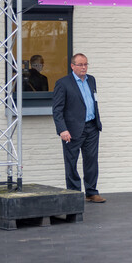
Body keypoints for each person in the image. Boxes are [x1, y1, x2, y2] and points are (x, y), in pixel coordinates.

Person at [52, 53, 104, 203]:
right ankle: (74, 194)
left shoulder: (91, 80)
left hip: (92, 127)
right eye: (80, 65)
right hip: (72, 130)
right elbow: (57, 109)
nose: (84, 67)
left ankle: (91, 192)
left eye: (86, 64)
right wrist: (62, 129)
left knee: (91, 161)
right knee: (71, 163)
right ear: (72, 66)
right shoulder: (63, 83)